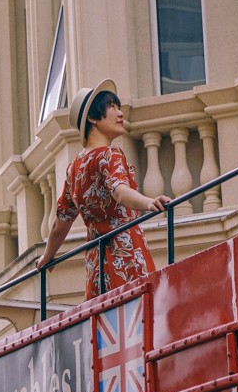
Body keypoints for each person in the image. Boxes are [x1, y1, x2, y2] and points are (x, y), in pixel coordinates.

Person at [36, 79, 171, 299]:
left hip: (96, 266)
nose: (120, 113)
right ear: (92, 117)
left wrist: (47, 257)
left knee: (104, 325)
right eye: (111, 107)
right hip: (126, 257)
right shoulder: (109, 154)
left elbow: (60, 224)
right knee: (143, 318)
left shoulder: (74, 169)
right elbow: (119, 190)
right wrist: (148, 203)